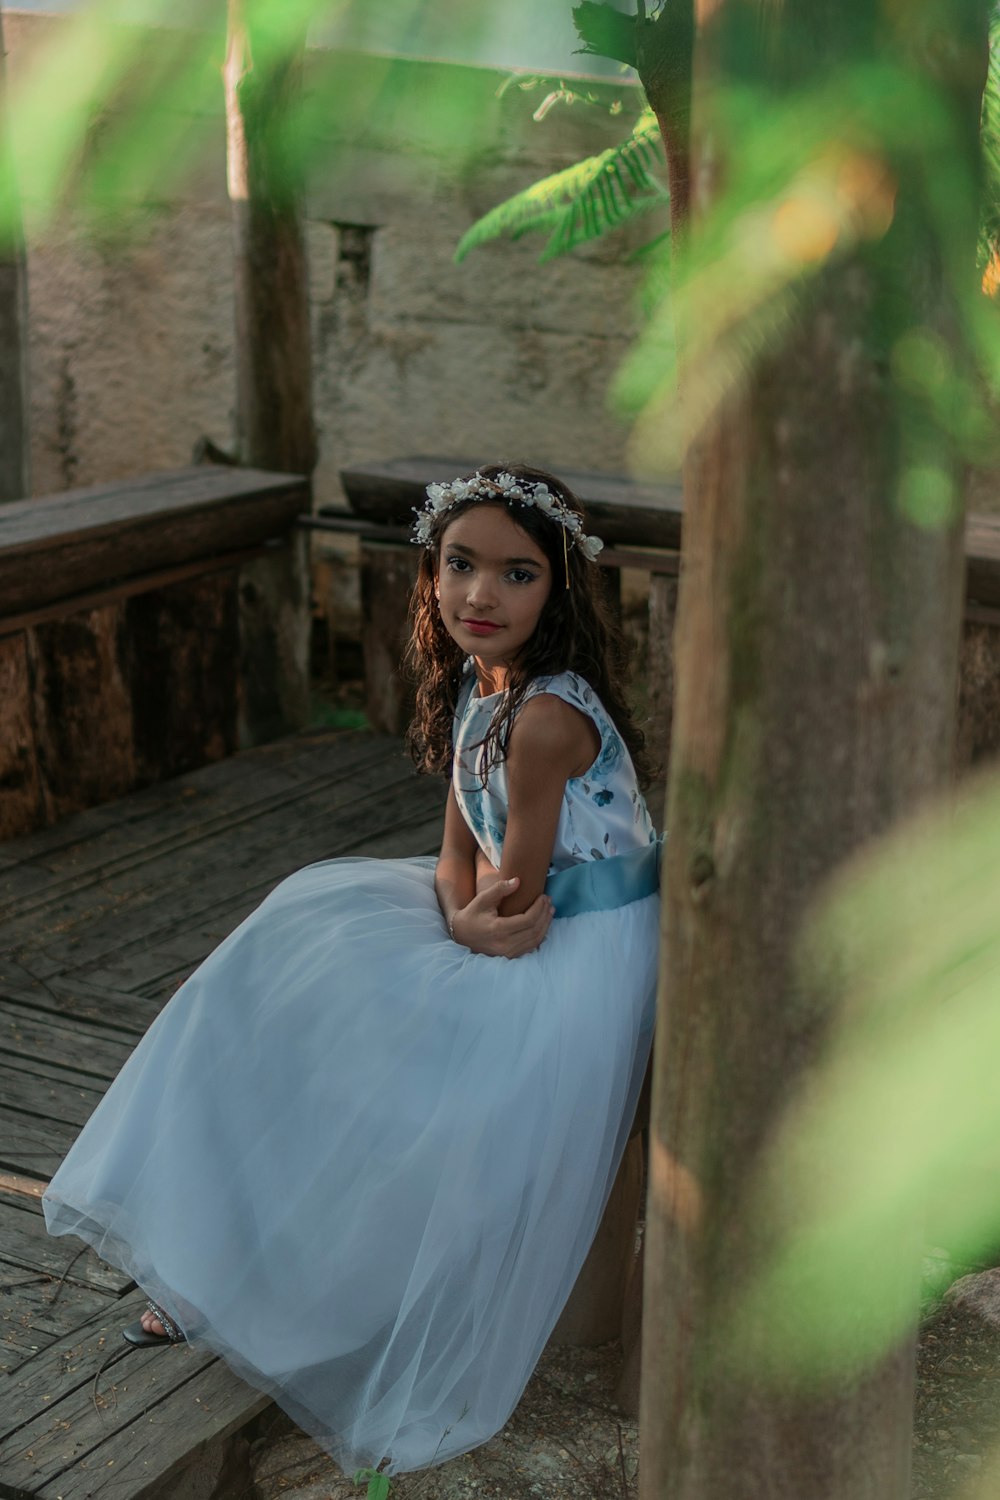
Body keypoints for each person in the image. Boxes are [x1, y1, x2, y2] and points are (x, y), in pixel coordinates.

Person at [42, 463, 662, 1477]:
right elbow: (459, 848)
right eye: (459, 566)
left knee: (384, 1049)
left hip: (578, 939)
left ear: (558, 589)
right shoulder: (480, 682)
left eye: (515, 575)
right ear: (430, 573)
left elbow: (520, 895)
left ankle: (295, 1291)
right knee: (285, 947)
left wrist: (463, 927)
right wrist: (452, 909)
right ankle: (218, 1257)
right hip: (496, 908)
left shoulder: (548, 720)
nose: (479, 597)